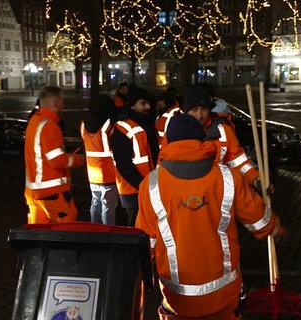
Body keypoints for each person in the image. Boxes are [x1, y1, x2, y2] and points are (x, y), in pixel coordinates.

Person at [135, 113, 285, 320]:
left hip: (177, 297)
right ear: (202, 140)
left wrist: (140, 276)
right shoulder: (228, 177)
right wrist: (276, 228)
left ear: (167, 142)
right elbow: (259, 220)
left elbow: (145, 241)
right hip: (223, 294)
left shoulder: (150, 185)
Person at [180, 85, 264, 195]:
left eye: (204, 109)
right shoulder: (175, 132)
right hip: (186, 196)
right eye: (194, 109)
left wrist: (255, 178)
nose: (199, 115)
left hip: (218, 194)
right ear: (186, 111)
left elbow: (238, 160)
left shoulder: (223, 130)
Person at [24, 86, 85, 224]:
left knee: (37, 234)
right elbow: (56, 160)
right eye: (62, 101)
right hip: (52, 193)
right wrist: (78, 159)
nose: (63, 105)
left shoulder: (34, 122)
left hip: (34, 192)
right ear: (55, 102)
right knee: (65, 231)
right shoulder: (50, 125)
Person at [109, 84, 159, 226]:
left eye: (149, 103)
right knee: (136, 226)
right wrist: (142, 184)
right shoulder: (123, 127)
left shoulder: (145, 125)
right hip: (134, 189)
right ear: (132, 105)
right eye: (143, 103)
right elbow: (123, 163)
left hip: (147, 186)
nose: (148, 107)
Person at [79, 95, 118, 225]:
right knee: (108, 206)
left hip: (92, 172)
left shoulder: (84, 125)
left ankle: (95, 230)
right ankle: (108, 233)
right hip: (108, 172)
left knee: (95, 202)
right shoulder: (108, 124)